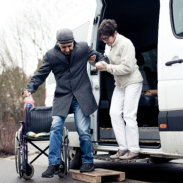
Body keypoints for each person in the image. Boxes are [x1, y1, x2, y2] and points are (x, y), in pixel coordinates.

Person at [23, 28, 106, 178]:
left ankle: (88, 161)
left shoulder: (83, 48)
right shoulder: (51, 55)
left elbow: (99, 55)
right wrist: (29, 88)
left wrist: (101, 62)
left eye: (69, 46)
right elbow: (40, 75)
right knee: (55, 127)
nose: (67, 49)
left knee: (83, 130)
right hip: (63, 97)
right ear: (58, 45)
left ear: (73, 42)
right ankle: (53, 164)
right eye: (64, 47)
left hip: (81, 96)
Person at [94, 19, 143, 160]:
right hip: (120, 84)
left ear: (114, 33)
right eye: (102, 39)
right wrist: (98, 62)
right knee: (114, 113)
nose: (105, 41)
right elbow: (108, 61)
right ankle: (123, 147)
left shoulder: (126, 43)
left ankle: (134, 150)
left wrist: (107, 67)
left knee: (129, 115)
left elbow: (127, 68)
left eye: (106, 38)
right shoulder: (108, 45)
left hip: (133, 81)